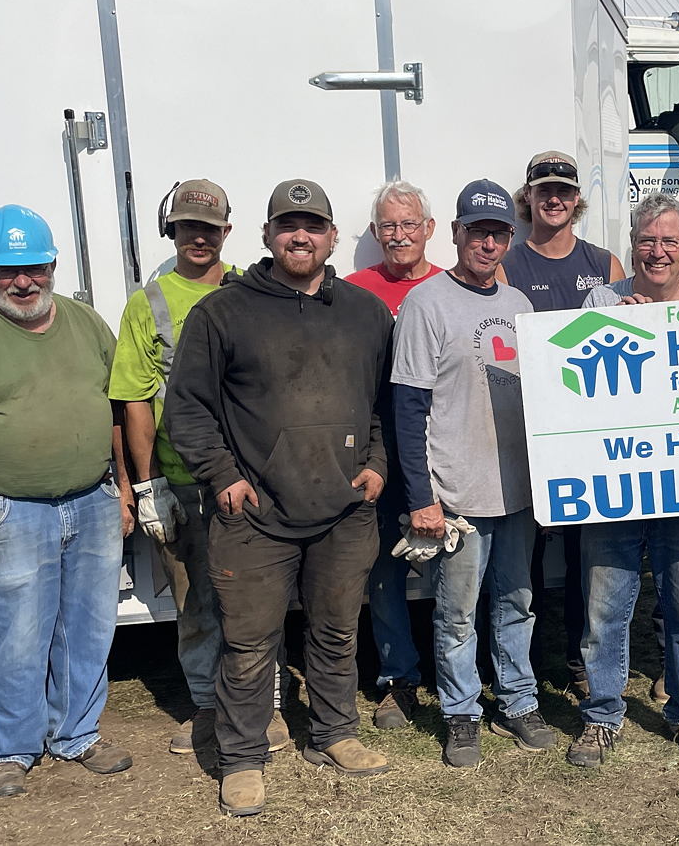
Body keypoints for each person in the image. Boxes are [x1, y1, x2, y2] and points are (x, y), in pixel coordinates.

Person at [167, 179, 394, 816]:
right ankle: (241, 757)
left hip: (345, 511)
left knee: (336, 630)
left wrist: (376, 463)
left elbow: (384, 403)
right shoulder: (222, 312)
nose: (302, 236)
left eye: (314, 226)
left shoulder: (365, 312)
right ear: (266, 236)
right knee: (249, 642)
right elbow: (187, 408)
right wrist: (222, 476)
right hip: (254, 515)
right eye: (288, 225)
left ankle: (334, 733)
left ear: (331, 237)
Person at [0, 204, 134, 797]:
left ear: (54, 264)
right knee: (17, 633)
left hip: (91, 501)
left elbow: (113, 413)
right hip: (5, 509)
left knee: (89, 628)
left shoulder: (88, 324)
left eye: (34, 267)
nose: (22, 281)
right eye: (7, 270)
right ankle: (9, 748)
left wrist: (121, 489)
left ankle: (77, 735)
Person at [109, 180, 290, 756]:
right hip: (182, 481)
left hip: (250, 479)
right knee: (194, 604)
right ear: (173, 231)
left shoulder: (252, 291)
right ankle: (208, 709)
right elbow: (134, 399)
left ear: (226, 232)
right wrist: (149, 484)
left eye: (209, 229)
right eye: (188, 227)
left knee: (257, 601)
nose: (198, 238)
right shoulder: (150, 304)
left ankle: (269, 707)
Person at [391, 180, 556, 768]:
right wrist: (422, 497)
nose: (487, 243)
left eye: (498, 232)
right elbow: (407, 410)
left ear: (510, 238)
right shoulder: (426, 304)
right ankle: (461, 712)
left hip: (516, 490)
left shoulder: (519, 307)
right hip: (457, 492)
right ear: (456, 233)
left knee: (517, 601)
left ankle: (518, 700)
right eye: (476, 231)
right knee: (456, 611)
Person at [564, 193, 679, 768]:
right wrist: (609, 328)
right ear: (632, 247)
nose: (657, 252)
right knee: (605, 609)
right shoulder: (600, 301)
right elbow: (570, 397)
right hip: (612, 491)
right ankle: (603, 715)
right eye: (647, 241)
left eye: (669, 242)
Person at [499, 150, 624, 698]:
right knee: (520, 556)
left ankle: (578, 660)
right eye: (543, 190)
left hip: (592, 440)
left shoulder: (607, 263)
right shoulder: (508, 263)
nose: (554, 199)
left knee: (584, 554)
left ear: (578, 200)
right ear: (527, 198)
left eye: (565, 191)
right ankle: (513, 662)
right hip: (527, 432)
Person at [344, 180, 444, 731]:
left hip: (443, 453)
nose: (399, 236)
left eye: (410, 224)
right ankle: (397, 678)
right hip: (379, 453)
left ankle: (463, 674)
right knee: (383, 572)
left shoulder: (456, 286)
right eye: (388, 226)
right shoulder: (354, 290)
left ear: (430, 229)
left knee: (456, 572)